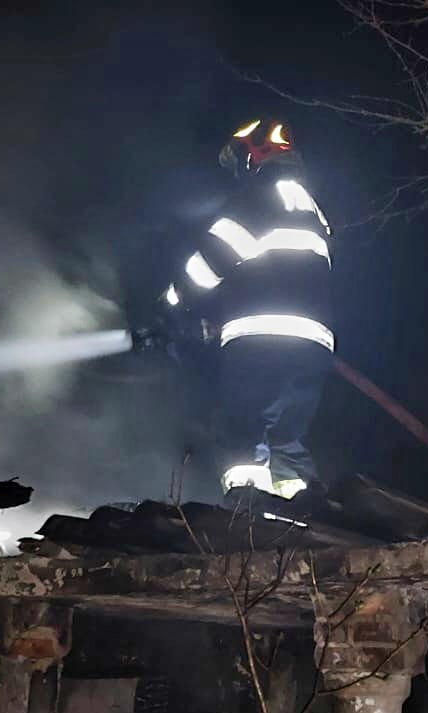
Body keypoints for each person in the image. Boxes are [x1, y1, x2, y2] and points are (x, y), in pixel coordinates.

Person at [156, 118, 335, 501]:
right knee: (287, 435)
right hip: (313, 348)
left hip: (260, 342)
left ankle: (247, 510)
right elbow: (280, 275)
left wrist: (172, 302)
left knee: (241, 427)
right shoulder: (312, 210)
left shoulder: (257, 199)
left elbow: (211, 262)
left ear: (254, 157)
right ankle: (302, 509)